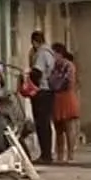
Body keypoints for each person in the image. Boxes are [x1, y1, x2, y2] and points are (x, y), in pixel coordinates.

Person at [49, 43, 80, 163]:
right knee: (59, 129)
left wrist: (56, 83)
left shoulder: (68, 65)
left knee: (69, 127)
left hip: (67, 96)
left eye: (54, 54)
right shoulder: (54, 67)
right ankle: (60, 154)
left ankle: (70, 154)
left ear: (60, 54)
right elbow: (50, 80)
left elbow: (68, 82)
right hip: (57, 97)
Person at [27, 31, 56, 162]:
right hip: (49, 91)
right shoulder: (50, 53)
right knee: (46, 123)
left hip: (41, 91)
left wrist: (27, 75)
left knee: (41, 124)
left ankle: (45, 154)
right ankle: (47, 153)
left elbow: (37, 73)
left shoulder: (41, 54)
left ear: (34, 42)